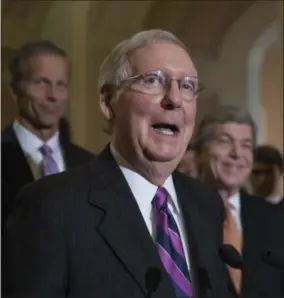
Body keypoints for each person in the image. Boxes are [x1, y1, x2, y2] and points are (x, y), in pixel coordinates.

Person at [3, 30, 234, 298]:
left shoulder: (206, 204)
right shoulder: (51, 206)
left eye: (187, 85)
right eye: (152, 80)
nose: (174, 99)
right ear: (108, 102)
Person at [1, 40, 95, 229]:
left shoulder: (91, 167)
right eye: (41, 83)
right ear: (14, 90)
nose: (53, 95)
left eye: (61, 85)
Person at [194, 105, 284, 298]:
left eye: (246, 145)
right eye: (225, 142)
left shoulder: (275, 217)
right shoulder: (177, 211)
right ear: (202, 150)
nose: (237, 154)